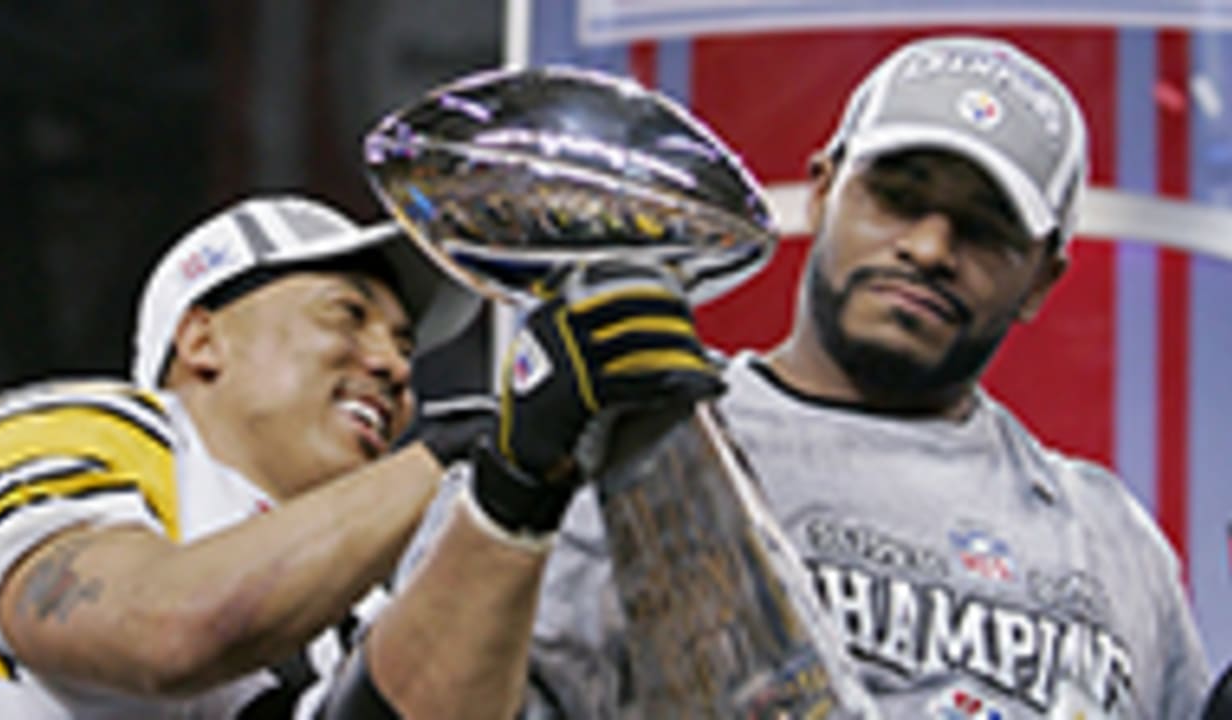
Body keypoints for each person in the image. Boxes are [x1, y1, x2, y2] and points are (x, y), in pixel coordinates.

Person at [394, 35, 1212, 718]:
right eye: (897, 195)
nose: (928, 248)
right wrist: (512, 494)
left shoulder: (1111, 540)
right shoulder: (628, 442)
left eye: (984, 228)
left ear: (1040, 279)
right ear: (822, 192)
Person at [0, 194, 721, 718]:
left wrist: (516, 495)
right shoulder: (73, 428)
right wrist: (453, 457)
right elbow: (168, 630)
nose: (392, 366)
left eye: (405, 345)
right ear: (201, 339)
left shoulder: (369, 602)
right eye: (347, 315)